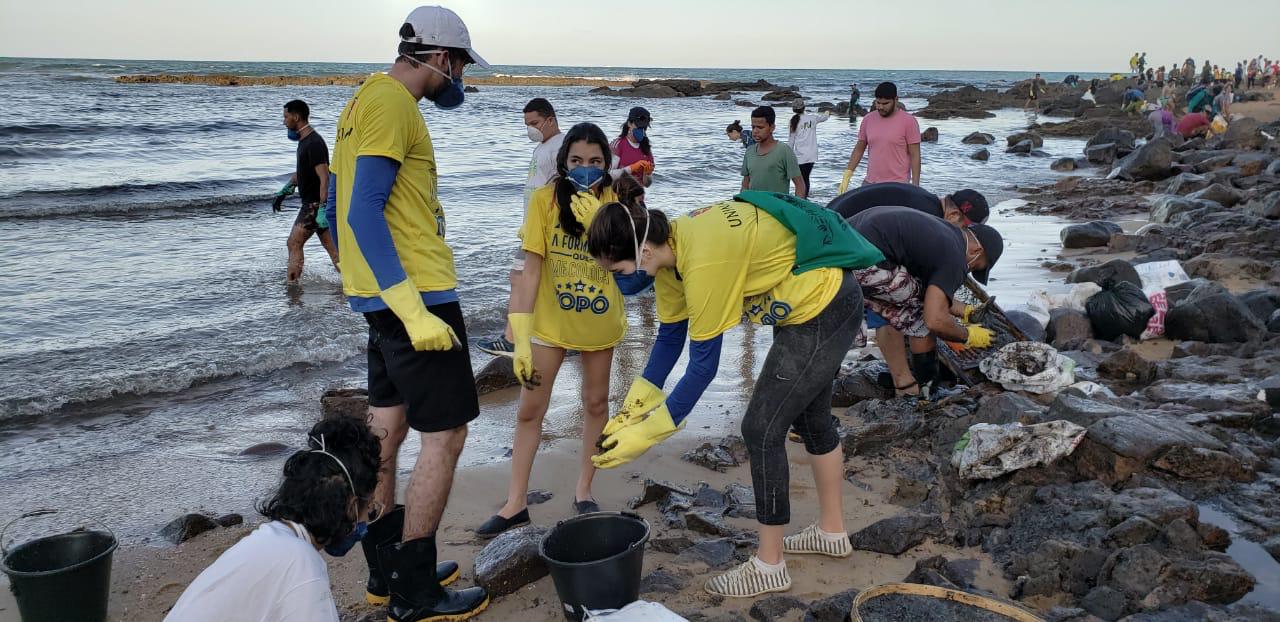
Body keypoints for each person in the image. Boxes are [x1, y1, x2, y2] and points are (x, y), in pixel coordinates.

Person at [585, 193, 884, 598]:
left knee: (761, 428)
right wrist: (633, 407)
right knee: (811, 420)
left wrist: (649, 433)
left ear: (643, 250)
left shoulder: (704, 261)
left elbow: (703, 367)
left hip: (823, 307)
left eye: (619, 269)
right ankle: (831, 532)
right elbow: (671, 337)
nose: (620, 280)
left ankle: (769, 566)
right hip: (806, 305)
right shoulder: (670, 255)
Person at [323, 6, 490, 620]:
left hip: (379, 298)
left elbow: (330, 206)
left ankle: (383, 572)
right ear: (441, 59)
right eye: (462, 66)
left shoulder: (359, 101)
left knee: (386, 432)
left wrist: (359, 282)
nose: (462, 80)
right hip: (415, 297)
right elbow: (362, 210)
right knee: (445, 435)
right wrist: (414, 311)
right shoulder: (395, 105)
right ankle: (417, 591)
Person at [476, 123, 630, 538]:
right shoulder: (544, 201)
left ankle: (584, 491)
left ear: (607, 164)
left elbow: (630, 268)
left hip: (599, 320)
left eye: (595, 161)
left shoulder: (619, 200)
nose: (585, 168)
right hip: (549, 323)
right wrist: (518, 337)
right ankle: (515, 503)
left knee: (596, 404)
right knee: (529, 411)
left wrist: (603, 219)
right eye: (577, 161)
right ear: (563, 162)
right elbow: (529, 273)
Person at [165, 417, 382, 622]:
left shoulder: (270, 541)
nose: (366, 522)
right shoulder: (301, 563)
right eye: (369, 510)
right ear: (352, 507)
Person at [847, 207, 1002, 398]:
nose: (969, 271)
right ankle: (929, 391)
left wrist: (966, 311)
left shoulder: (943, 233)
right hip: (867, 259)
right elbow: (934, 319)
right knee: (920, 313)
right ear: (977, 250)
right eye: (977, 266)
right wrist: (967, 335)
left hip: (839, 246)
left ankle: (905, 385)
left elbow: (925, 288)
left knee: (911, 296)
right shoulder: (956, 258)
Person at [479, 98, 566, 356]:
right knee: (539, 282)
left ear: (551, 119)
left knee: (519, 278)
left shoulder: (559, 147)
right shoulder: (543, 146)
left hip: (542, 229)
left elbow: (564, 186)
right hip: (532, 227)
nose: (530, 129)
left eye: (535, 123)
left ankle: (513, 339)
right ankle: (550, 335)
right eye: (527, 124)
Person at [278, 99, 338, 282]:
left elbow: (324, 177)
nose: (283, 121)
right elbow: (304, 170)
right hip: (314, 205)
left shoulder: (313, 143)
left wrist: (322, 208)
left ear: (296, 117)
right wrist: (286, 189)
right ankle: (357, 283)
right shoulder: (305, 141)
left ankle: (292, 286)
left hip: (313, 206)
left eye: (286, 116)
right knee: (333, 250)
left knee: (294, 242)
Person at [838, 82, 922, 192]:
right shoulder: (868, 119)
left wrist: (915, 187)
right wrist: (847, 175)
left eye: (885, 103)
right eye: (878, 103)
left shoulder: (909, 121)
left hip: (898, 185)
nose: (880, 107)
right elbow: (859, 149)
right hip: (870, 183)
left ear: (896, 99)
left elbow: (915, 156)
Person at [828, 182, 990, 225]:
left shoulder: (924, 198)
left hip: (827, 213)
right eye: (964, 229)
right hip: (834, 230)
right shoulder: (929, 217)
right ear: (954, 214)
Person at [741, 106, 806, 198]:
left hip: (776, 208)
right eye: (753, 127)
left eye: (760, 127)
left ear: (772, 128)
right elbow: (745, 185)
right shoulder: (749, 151)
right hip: (753, 208)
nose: (755, 131)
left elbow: (800, 185)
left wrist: (796, 208)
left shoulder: (784, 150)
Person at [787, 99, 829, 193]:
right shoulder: (812, 118)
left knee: (801, 180)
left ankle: (801, 198)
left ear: (793, 109)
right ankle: (804, 198)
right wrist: (827, 112)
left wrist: (788, 156)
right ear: (804, 107)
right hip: (812, 154)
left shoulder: (793, 121)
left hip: (799, 156)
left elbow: (791, 141)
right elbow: (824, 118)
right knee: (806, 178)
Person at [609, 107, 655, 186]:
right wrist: (632, 168)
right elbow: (608, 176)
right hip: (617, 196)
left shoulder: (646, 149)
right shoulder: (618, 144)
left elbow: (647, 184)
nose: (642, 131)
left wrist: (647, 174)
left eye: (644, 128)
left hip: (638, 197)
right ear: (629, 124)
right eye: (639, 127)